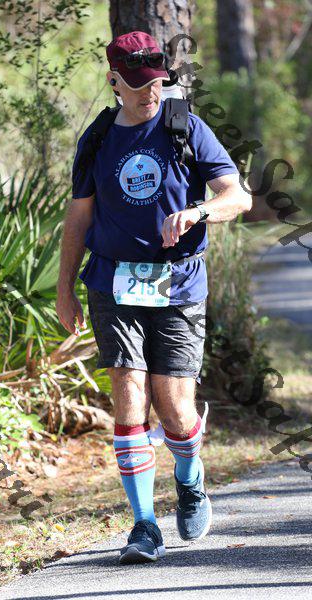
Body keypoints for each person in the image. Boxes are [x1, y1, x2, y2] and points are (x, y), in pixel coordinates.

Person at [56, 30, 252, 565]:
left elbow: (237, 195)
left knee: (175, 409)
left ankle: (189, 480)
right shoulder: (98, 138)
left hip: (179, 283)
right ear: (114, 82)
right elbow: (80, 215)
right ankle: (144, 525)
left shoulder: (185, 126)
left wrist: (199, 212)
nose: (150, 92)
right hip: (113, 282)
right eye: (139, 84)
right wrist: (65, 287)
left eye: (157, 82)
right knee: (128, 393)